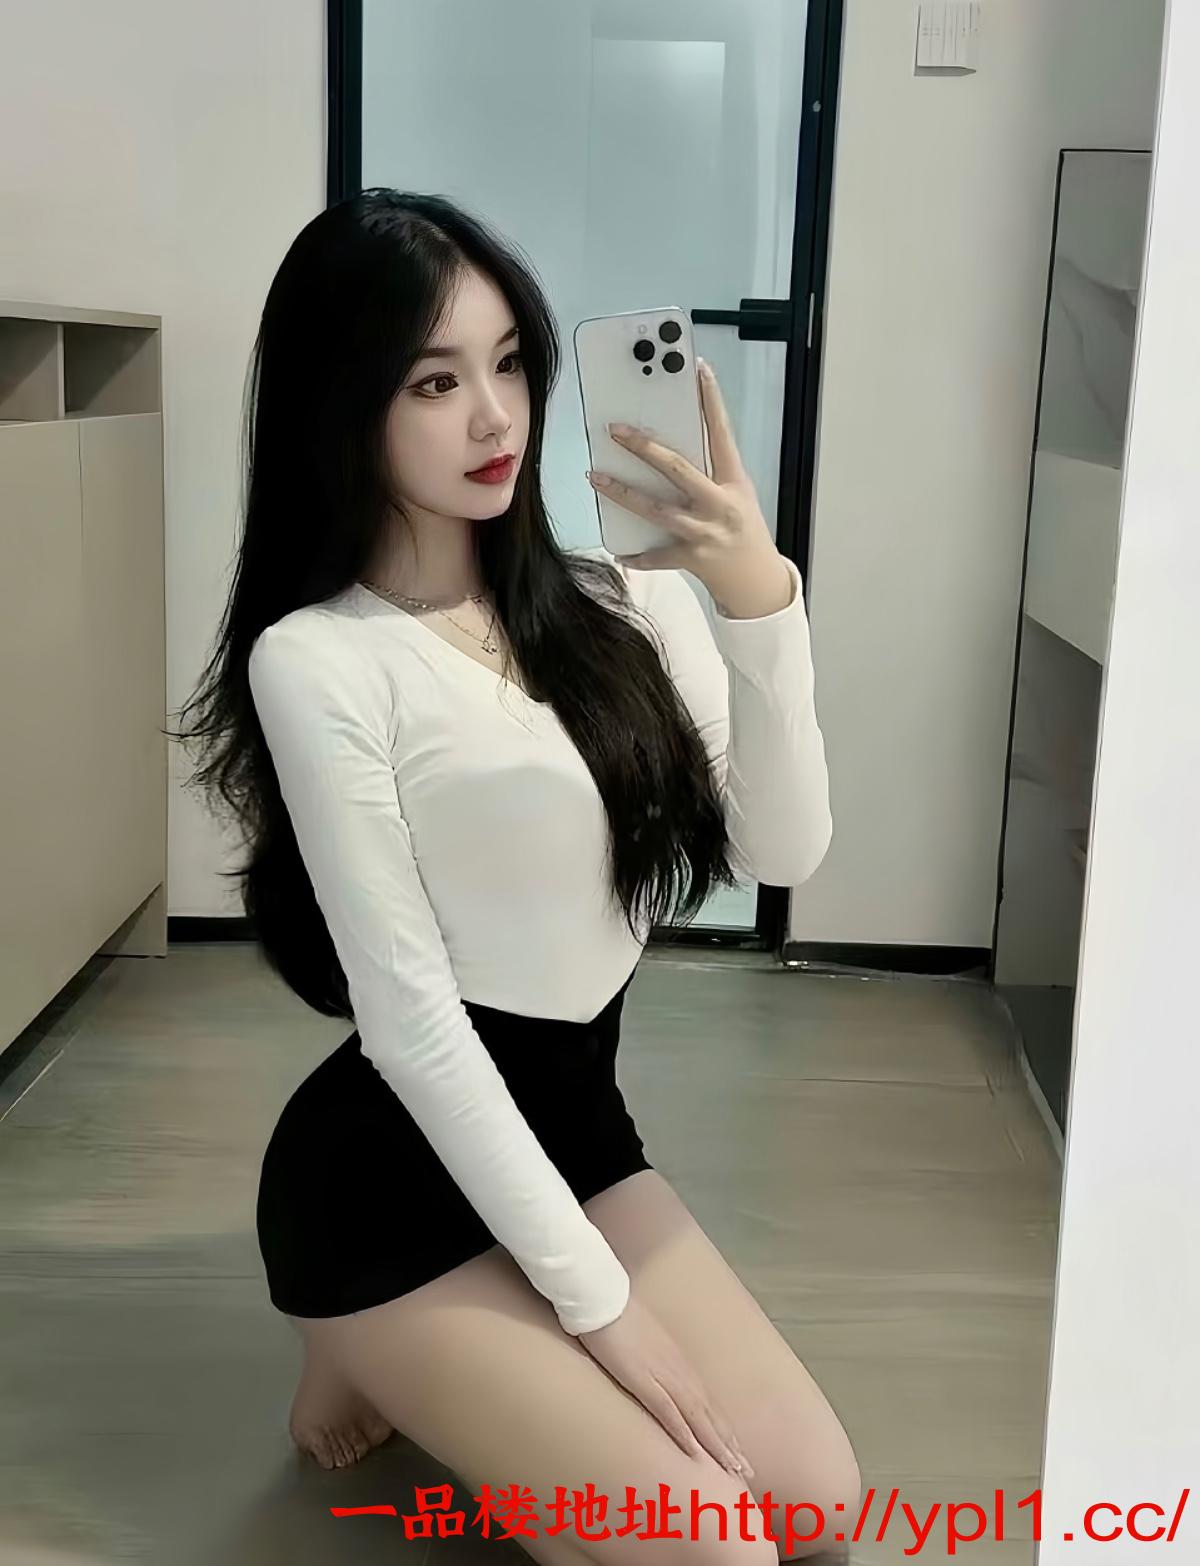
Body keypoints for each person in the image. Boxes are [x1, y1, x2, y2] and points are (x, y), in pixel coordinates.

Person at [176, 189, 860, 1564]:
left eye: (509, 364)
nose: (496, 417)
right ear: (343, 404)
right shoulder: (320, 659)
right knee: (715, 1546)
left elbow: (779, 853)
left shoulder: (625, 600)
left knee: (816, 1504)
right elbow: (415, 1027)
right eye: (434, 381)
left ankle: (453, 1361)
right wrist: (604, 1313)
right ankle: (350, 1334)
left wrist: (759, 602)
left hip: (579, 1139)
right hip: (383, 1188)